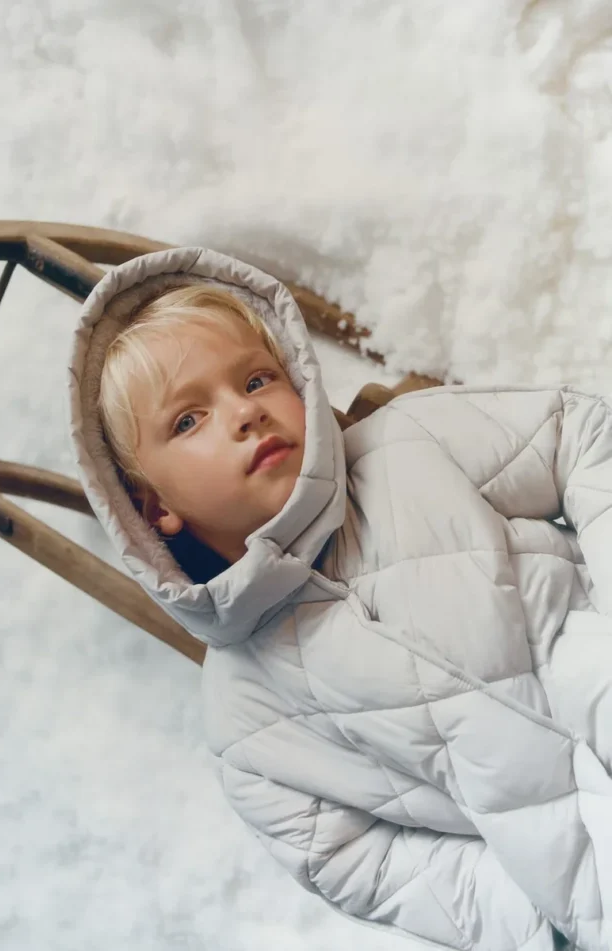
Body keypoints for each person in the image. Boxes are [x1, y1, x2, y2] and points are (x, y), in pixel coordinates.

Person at [69, 247, 612, 951]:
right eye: (188, 420)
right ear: (155, 508)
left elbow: (578, 433)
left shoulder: (407, 443)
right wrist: (545, 919)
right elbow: (366, 863)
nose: (244, 413)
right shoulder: (246, 727)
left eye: (257, 379)